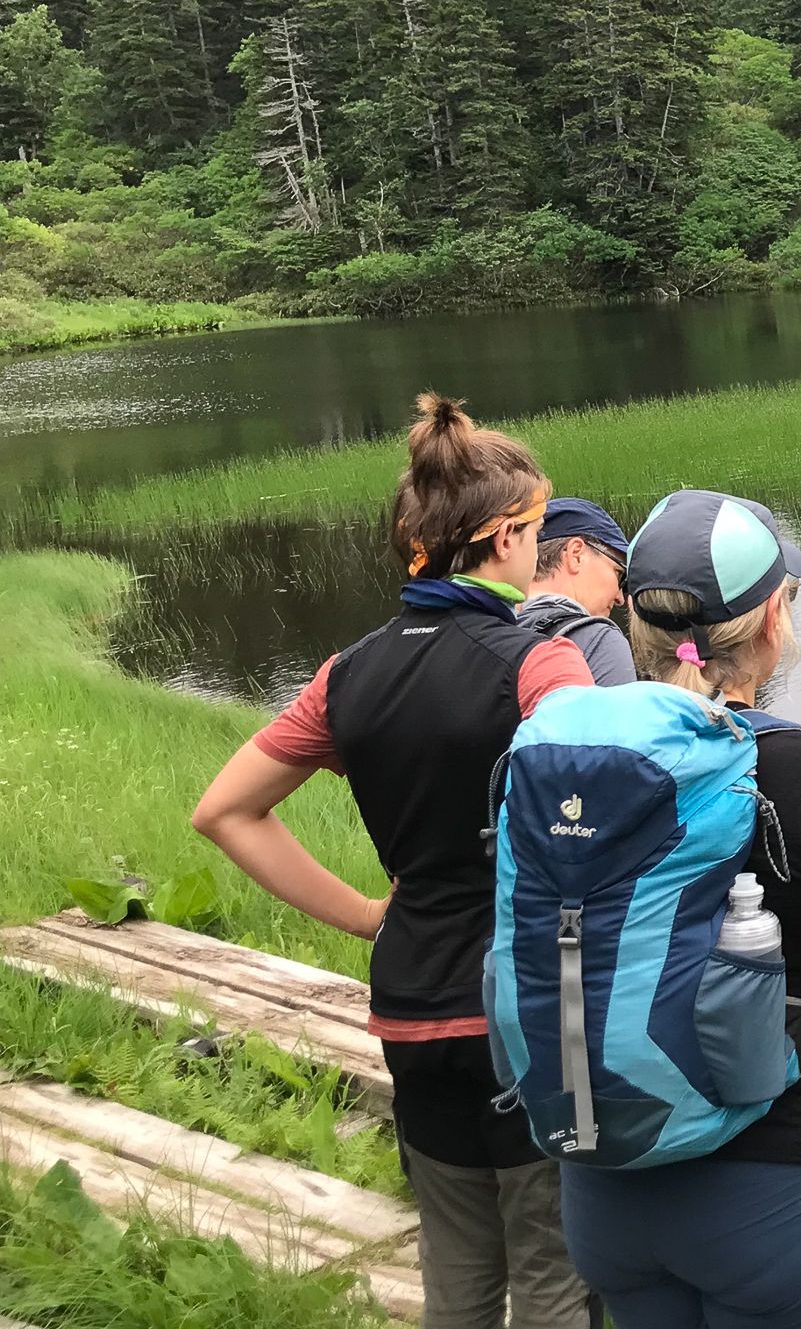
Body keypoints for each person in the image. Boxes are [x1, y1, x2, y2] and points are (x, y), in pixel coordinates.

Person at [192, 393, 596, 1329]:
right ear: (502, 539)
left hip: (410, 1005)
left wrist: (375, 915)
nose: (540, 550)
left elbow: (226, 811)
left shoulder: (348, 674)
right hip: (528, 1008)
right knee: (550, 1266)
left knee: (455, 1267)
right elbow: (597, 833)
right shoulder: (542, 668)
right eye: (536, 530)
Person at [556, 488, 801, 1329]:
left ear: (635, 618)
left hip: (606, 1174)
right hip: (776, 1195)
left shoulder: (568, 750)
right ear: (774, 618)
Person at [517, 497, 637, 686]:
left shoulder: (479, 630)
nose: (620, 597)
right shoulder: (599, 641)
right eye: (619, 574)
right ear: (576, 555)